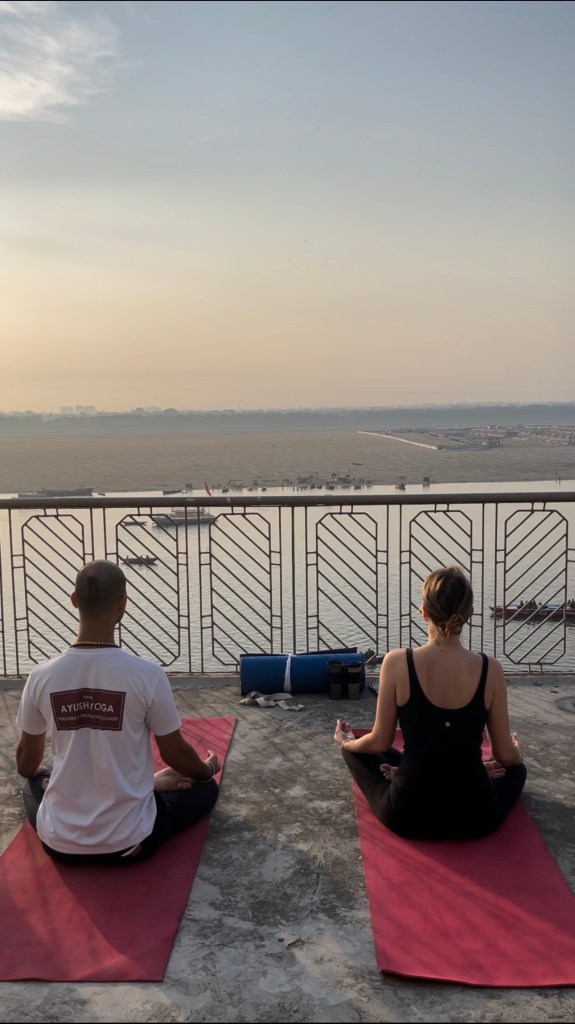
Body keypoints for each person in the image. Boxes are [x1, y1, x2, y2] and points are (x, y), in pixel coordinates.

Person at [16, 559, 221, 865]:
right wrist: (207, 770)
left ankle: (138, 787)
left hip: (59, 845)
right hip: (130, 843)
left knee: (34, 782)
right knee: (204, 789)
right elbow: (176, 754)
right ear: (122, 602)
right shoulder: (147, 674)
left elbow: (26, 764)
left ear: (74, 600)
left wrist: (48, 776)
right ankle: (147, 788)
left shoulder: (41, 676)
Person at [334, 565, 526, 840]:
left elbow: (379, 742)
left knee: (357, 750)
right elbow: (504, 755)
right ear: (469, 615)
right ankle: (468, 771)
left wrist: (346, 742)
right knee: (516, 769)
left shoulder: (396, 662)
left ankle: (396, 767)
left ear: (423, 612)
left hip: (408, 813)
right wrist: (516, 752)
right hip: (474, 815)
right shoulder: (491, 669)